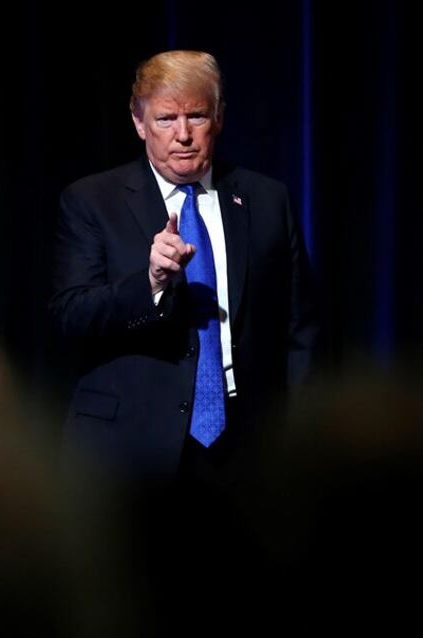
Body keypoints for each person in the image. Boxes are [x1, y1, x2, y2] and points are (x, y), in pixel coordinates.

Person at [49, 50, 318, 483]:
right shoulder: (92, 201)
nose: (183, 135)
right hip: (130, 451)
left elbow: (299, 327)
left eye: (196, 116)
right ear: (139, 123)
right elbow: (71, 314)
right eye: (165, 120)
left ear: (219, 118)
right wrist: (151, 283)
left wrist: (300, 432)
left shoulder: (267, 199)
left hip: (245, 449)